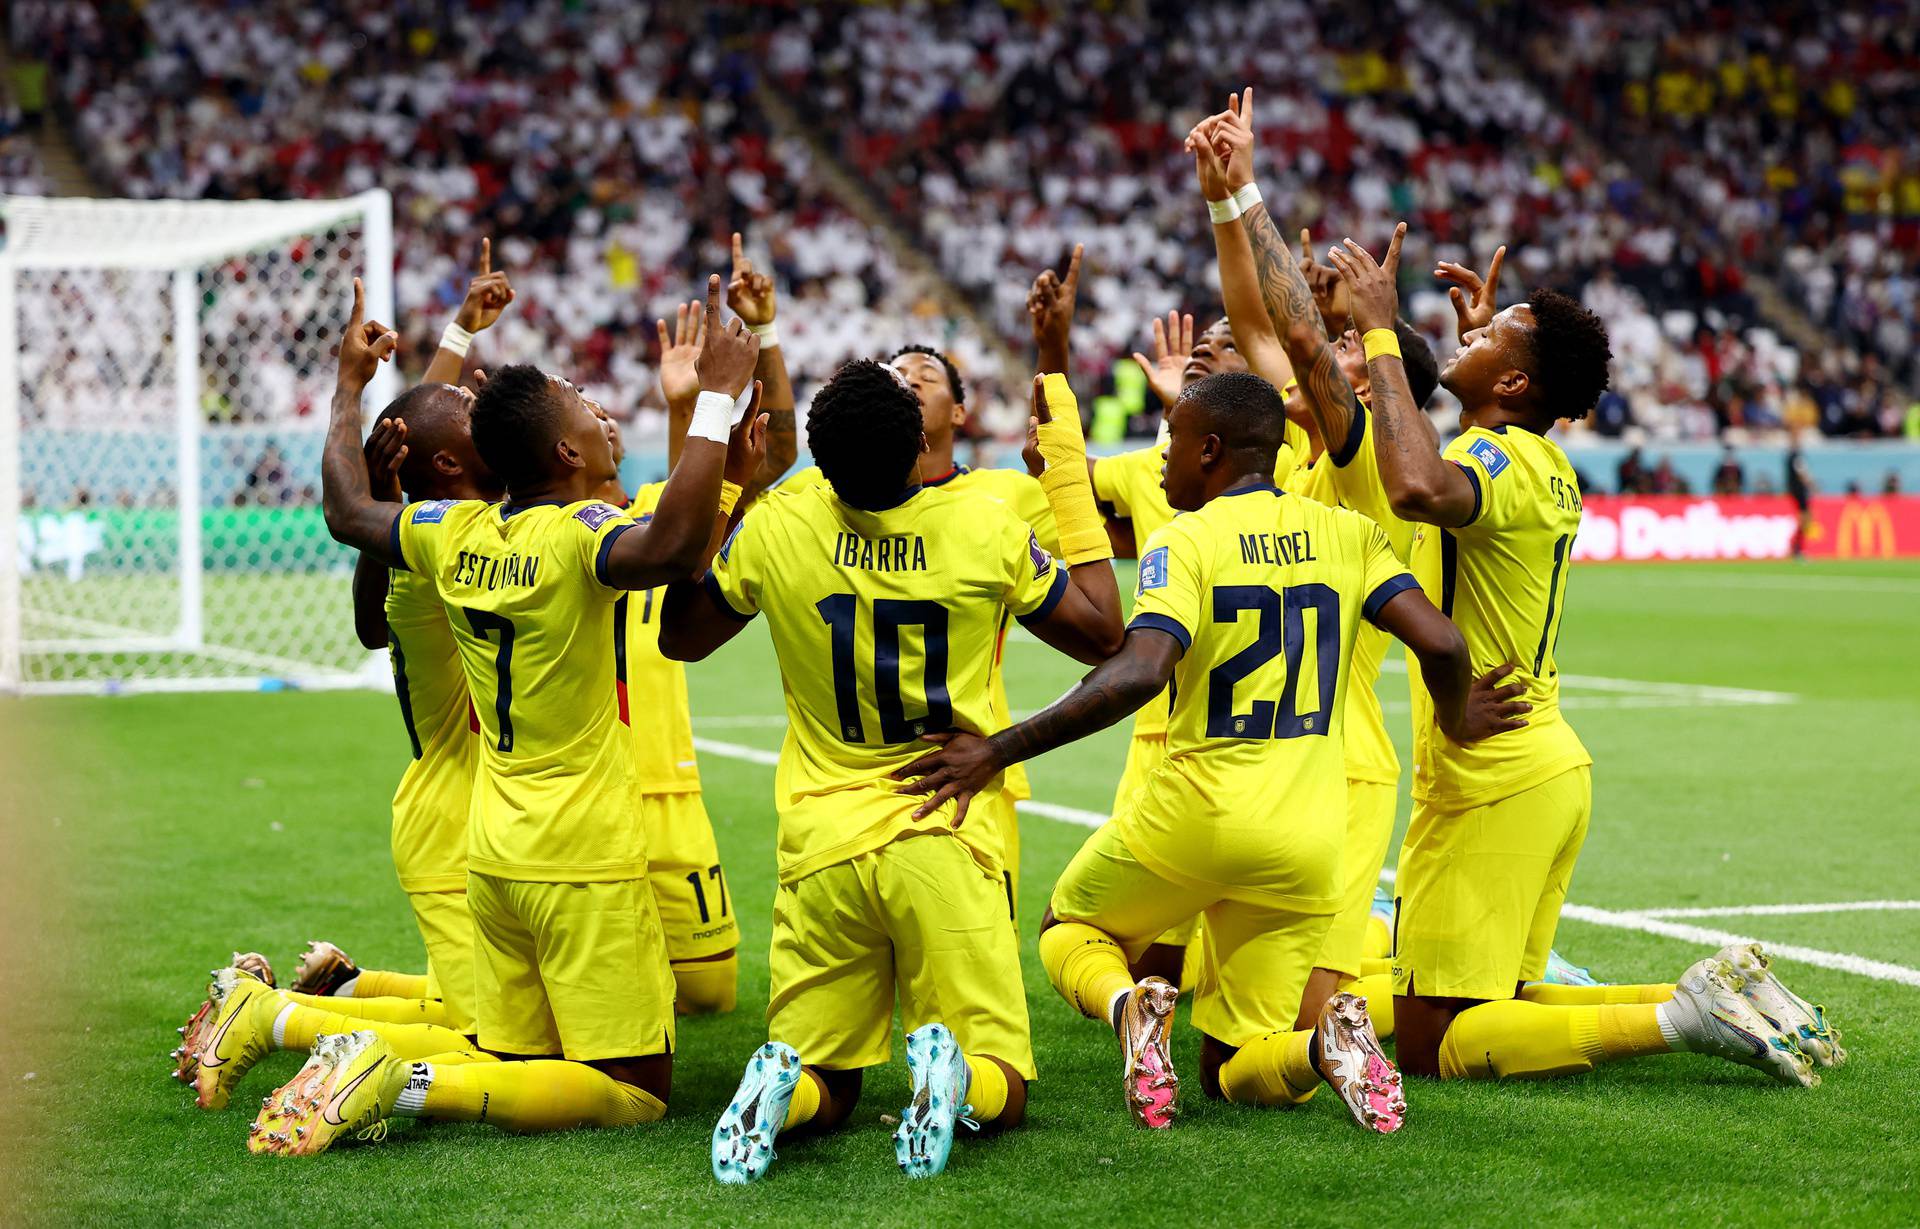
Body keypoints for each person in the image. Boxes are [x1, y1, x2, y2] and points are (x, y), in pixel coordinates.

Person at [241, 274, 766, 1157]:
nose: (593, 414)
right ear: (564, 454)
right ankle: (396, 1077)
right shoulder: (579, 538)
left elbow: (345, 510)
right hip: (583, 850)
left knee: (514, 1048)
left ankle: (364, 1051)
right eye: (577, 408)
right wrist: (714, 401)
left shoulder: (451, 531)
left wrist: (345, 390)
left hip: (494, 845)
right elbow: (676, 547)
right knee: (635, 1091)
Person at [898, 370, 1482, 1134]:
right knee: (1237, 1068)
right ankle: (1320, 1049)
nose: (1162, 460)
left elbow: (1140, 669)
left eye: (1171, 443)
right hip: (1310, 834)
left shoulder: (1186, 539)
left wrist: (1000, 748)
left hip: (1199, 809)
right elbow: (1441, 639)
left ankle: (1126, 1005)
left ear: (1209, 450)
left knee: (1066, 927)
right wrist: (1458, 717)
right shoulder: (1350, 533)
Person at [1326, 229, 1840, 1086]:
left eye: (1488, 342)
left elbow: (1419, 484)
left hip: (1490, 775)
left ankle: (1678, 1017)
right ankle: (1722, 992)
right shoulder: (1532, 456)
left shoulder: (1496, 459)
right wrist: (1487, 359)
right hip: (1544, 767)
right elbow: (1457, 465)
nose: (1466, 336)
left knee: (1425, 1046)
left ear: (1517, 384)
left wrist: (1380, 332)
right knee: (1505, 998)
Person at [660, 363, 1123, 1182]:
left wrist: (734, 482)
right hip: (945, 828)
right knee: (1004, 1083)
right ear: (921, 444)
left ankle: (783, 1091)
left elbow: (683, 635)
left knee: (829, 1080)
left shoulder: (782, 522)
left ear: (822, 462)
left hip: (822, 839)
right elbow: (1101, 633)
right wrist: (1068, 486)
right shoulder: (984, 526)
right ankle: (953, 1078)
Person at [176, 250, 517, 1106]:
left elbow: (420, 437)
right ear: (444, 470)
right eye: (475, 414)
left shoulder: (443, 526)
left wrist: (449, 340)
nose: (483, 408)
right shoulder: (459, 532)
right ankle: (265, 1016)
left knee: (508, 1015)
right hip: (456, 818)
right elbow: (418, 445)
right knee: (488, 1042)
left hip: (488, 809)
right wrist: (349, 392)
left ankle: (339, 988)